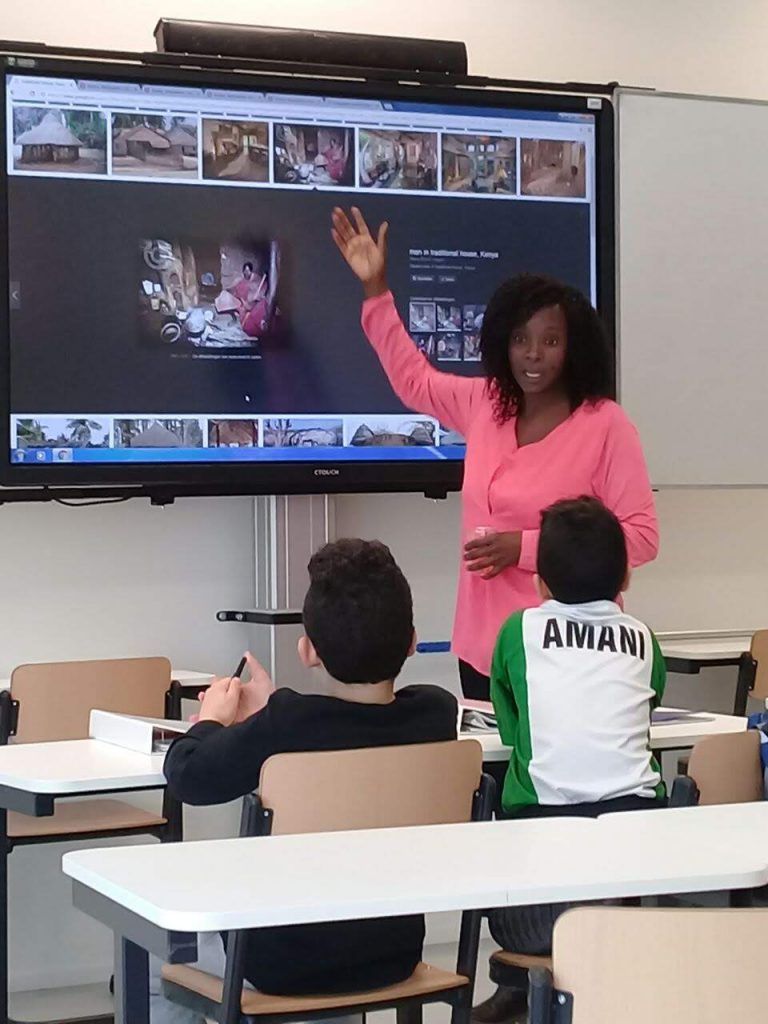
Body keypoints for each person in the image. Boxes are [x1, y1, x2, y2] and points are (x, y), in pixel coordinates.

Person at [331, 207, 659, 700]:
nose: (533, 354)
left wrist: (527, 548)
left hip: (570, 652)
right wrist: (376, 290)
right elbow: (413, 380)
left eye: (550, 341)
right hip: (482, 652)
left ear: (574, 348)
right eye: (520, 339)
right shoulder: (486, 403)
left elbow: (641, 537)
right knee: (495, 775)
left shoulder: (606, 425)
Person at [154, 538, 457, 1024]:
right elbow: (341, 721)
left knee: (149, 954)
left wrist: (211, 718)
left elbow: (189, 775)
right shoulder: (436, 715)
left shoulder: (287, 725)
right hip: (392, 957)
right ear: (413, 641)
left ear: (308, 650)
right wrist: (274, 709)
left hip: (280, 966)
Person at [475, 496, 666, 1022]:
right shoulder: (645, 639)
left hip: (536, 914)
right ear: (625, 578)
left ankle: (519, 990)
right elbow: (646, 709)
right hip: (636, 892)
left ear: (540, 584)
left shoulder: (518, 631)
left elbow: (514, 731)